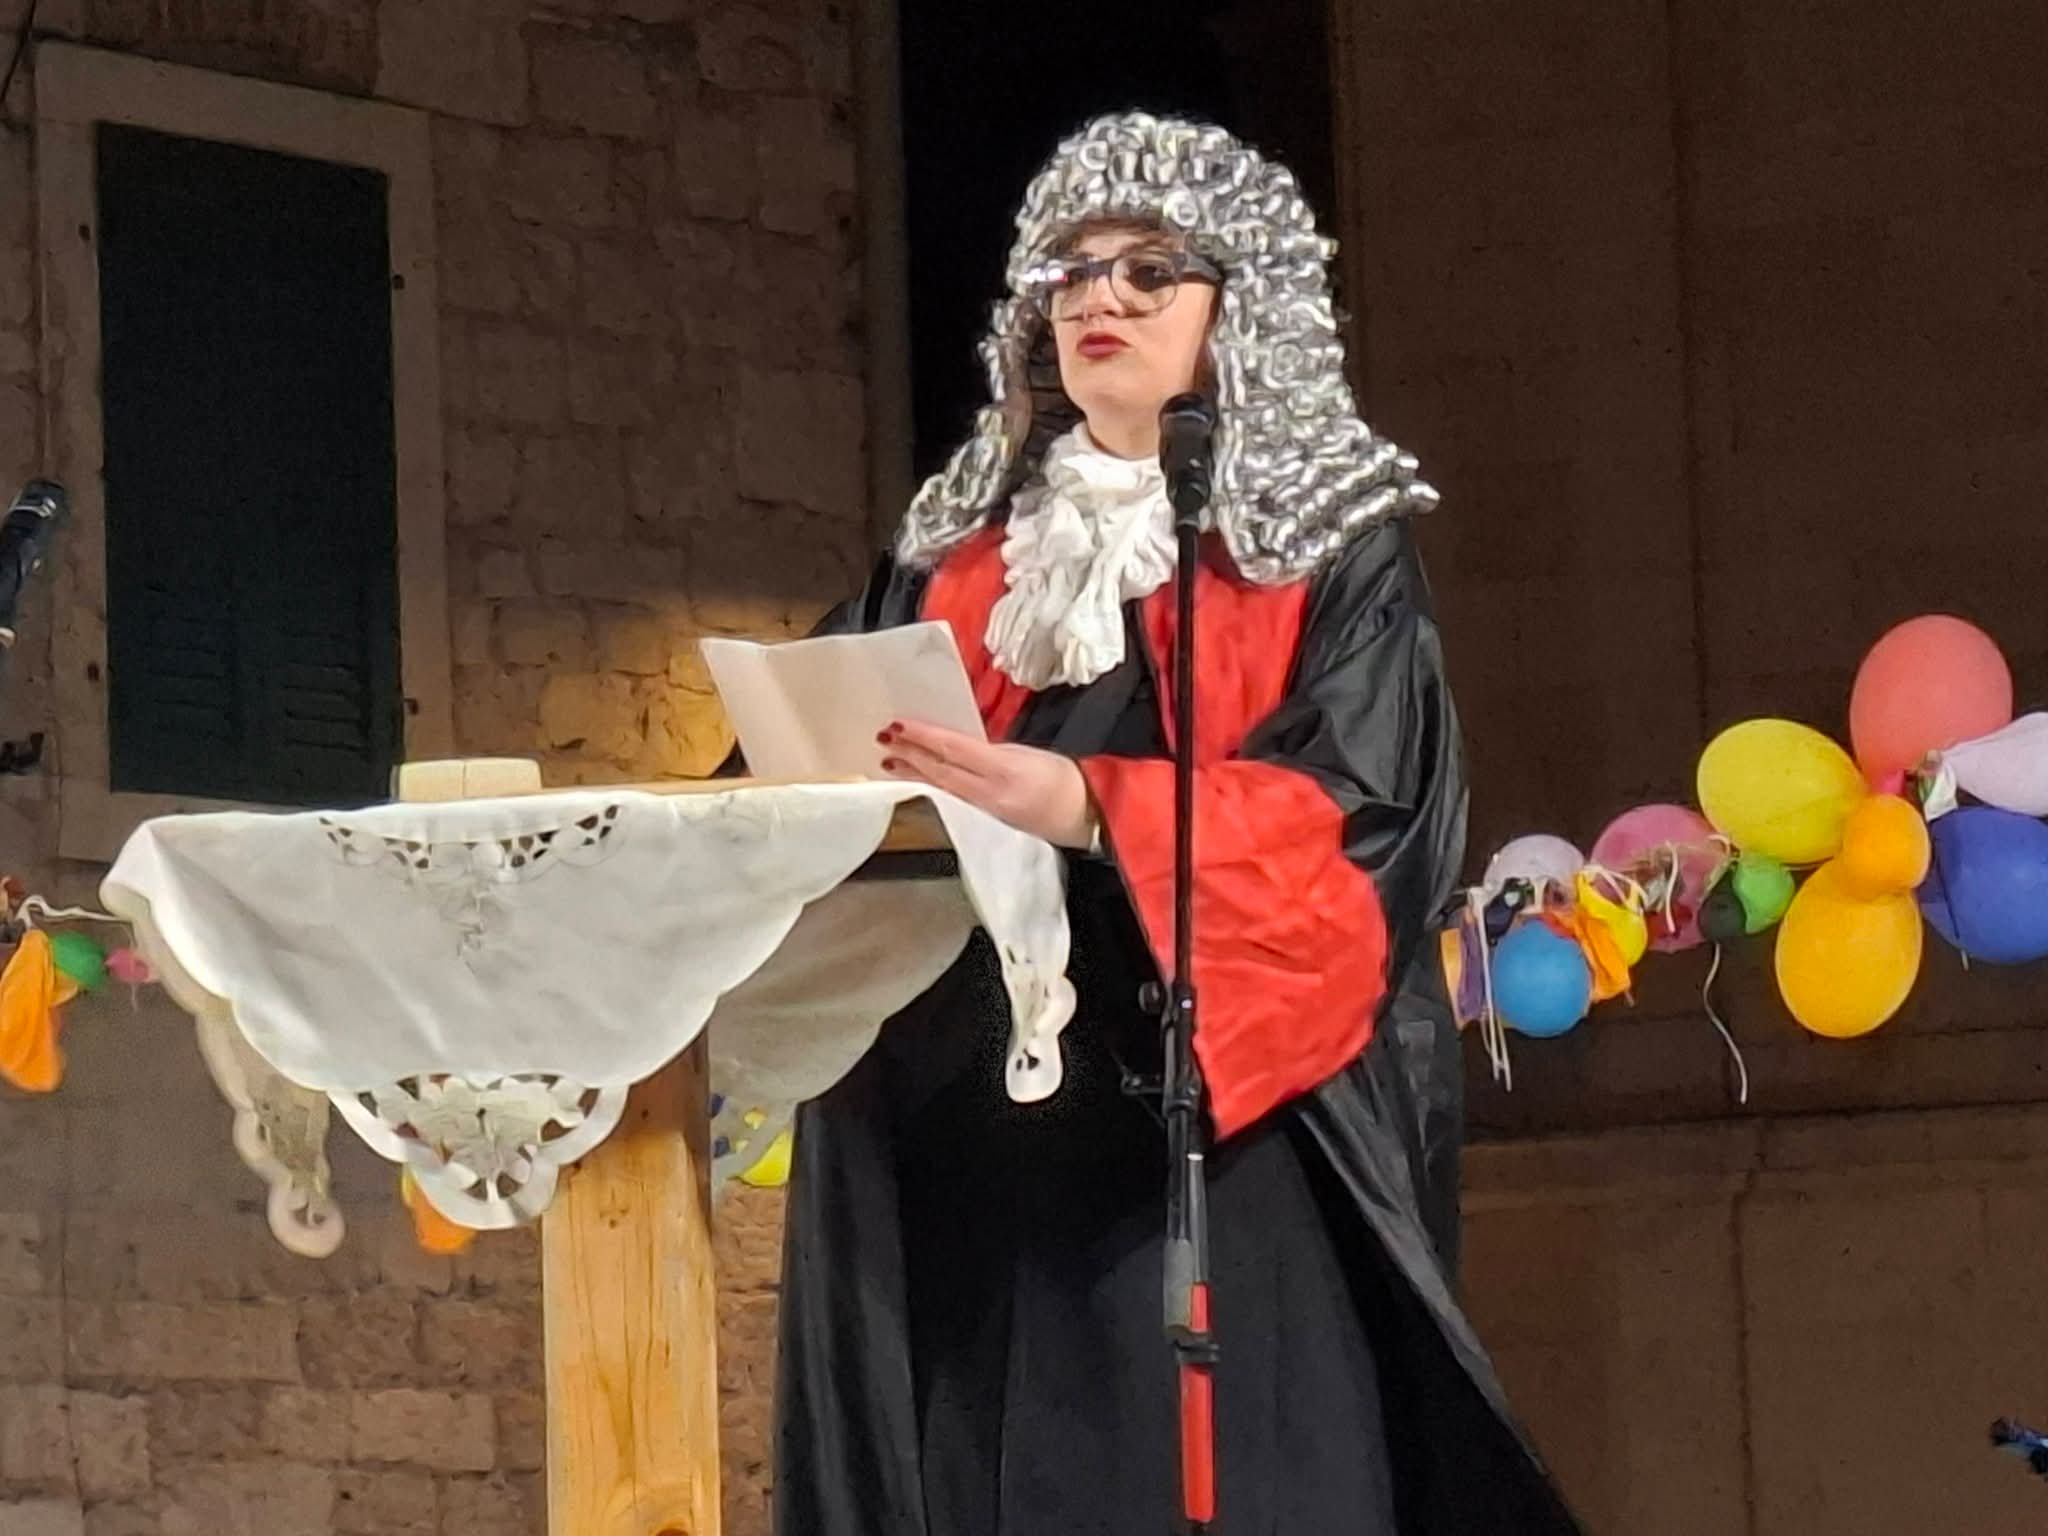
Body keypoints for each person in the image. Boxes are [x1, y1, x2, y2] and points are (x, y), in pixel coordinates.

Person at [773, 111, 1581, 1535]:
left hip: (1218, 1132)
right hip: (974, 1146)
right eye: (1072, 271)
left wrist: (1092, 803)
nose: (1102, 298)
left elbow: (1364, 826)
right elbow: (817, 751)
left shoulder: (1331, 552)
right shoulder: (954, 560)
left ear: (1240, 307)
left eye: (1151, 270)